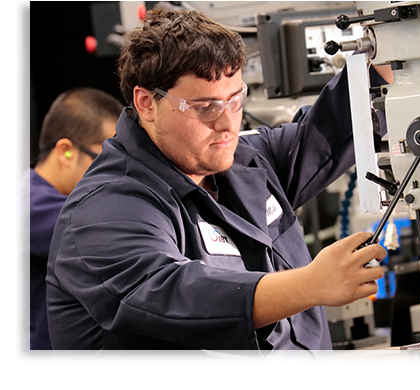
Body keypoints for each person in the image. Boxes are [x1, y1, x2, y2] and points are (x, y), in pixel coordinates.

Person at [46, 7, 388, 363]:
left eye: (235, 100)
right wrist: (310, 285)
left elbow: (326, 133)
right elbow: (174, 293)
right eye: (205, 106)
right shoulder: (107, 206)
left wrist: (393, 47)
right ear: (147, 103)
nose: (227, 124)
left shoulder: (245, 159)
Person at [14, 87, 123, 362]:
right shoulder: (26, 207)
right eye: (106, 157)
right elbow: (114, 229)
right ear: (66, 152)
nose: (118, 172)